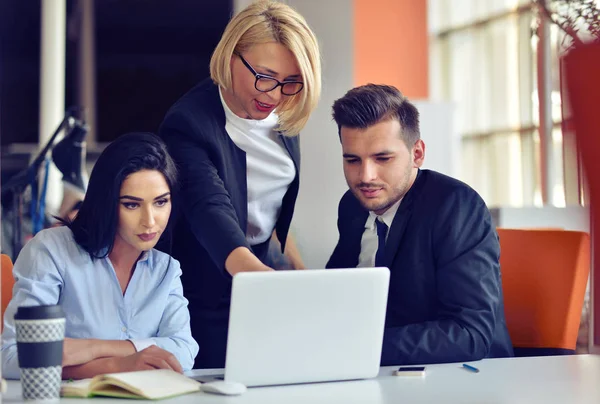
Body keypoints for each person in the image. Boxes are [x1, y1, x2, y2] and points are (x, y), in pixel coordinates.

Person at [158, 0, 321, 368]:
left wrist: (299, 274)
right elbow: (209, 207)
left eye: (291, 82)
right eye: (264, 76)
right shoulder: (188, 122)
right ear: (231, 55)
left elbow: (267, 208)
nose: (274, 94)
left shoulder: (283, 115)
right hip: (201, 293)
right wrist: (262, 281)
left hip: (258, 282)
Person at [326, 84, 514, 365]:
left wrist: (358, 346)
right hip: (379, 372)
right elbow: (336, 291)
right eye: (352, 160)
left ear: (417, 154)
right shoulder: (352, 206)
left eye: (382, 158)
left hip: (464, 377)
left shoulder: (456, 207)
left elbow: (470, 334)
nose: (365, 176)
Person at [1, 133, 199, 379]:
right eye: (131, 204)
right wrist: (115, 366)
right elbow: (11, 357)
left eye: (160, 202)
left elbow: (184, 350)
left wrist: (91, 348)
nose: (150, 221)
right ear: (106, 202)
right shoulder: (51, 250)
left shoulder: (166, 269)